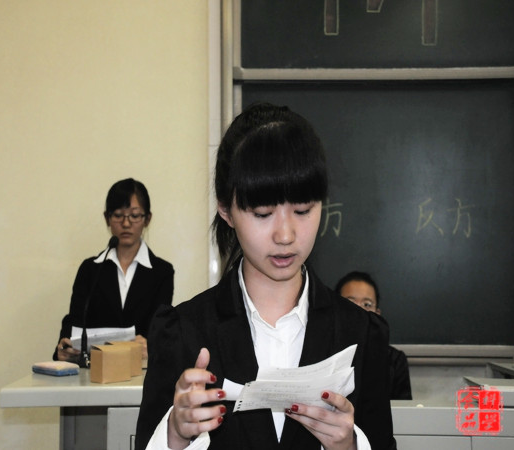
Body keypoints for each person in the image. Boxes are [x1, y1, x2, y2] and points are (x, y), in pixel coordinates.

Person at [135, 103, 396, 449]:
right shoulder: (182, 332)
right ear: (226, 210)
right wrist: (175, 434)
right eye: (262, 213)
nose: (285, 235)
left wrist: (349, 445)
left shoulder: (360, 333)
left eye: (302, 210)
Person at [53, 178, 174, 362]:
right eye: (118, 215)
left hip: (141, 369)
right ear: (107, 218)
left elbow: (161, 328)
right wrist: (64, 347)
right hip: (94, 371)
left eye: (134, 215)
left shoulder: (161, 272)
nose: (126, 223)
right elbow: (75, 322)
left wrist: (152, 346)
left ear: (147, 219)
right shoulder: (90, 269)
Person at [335, 271, 412, 401]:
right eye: (350, 302)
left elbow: (402, 409)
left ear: (377, 314)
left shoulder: (394, 360)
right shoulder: (323, 352)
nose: (359, 310)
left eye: (367, 305)